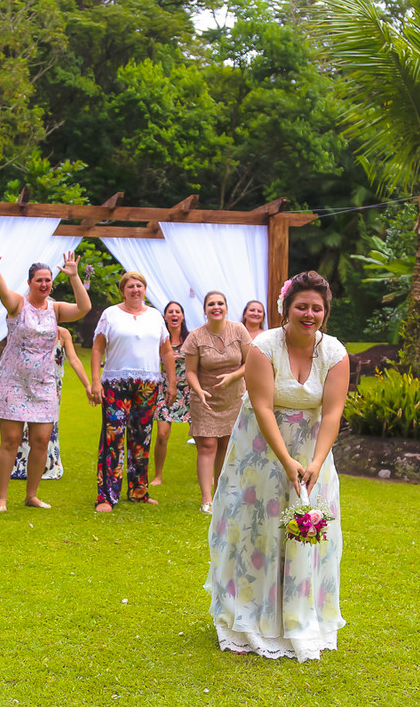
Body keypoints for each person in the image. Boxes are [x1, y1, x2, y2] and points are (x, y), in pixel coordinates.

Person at [204, 271, 350, 661]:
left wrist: (315, 462)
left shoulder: (335, 353)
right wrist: (286, 460)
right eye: (302, 306)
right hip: (261, 452)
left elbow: (332, 413)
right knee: (258, 531)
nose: (309, 314)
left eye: (317, 308)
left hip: (313, 452)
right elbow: (263, 407)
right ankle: (247, 615)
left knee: (305, 532)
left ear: (325, 312)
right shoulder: (264, 347)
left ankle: (298, 615)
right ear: (286, 308)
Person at [0, 251, 90, 512]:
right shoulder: (18, 304)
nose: (44, 284)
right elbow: (3, 291)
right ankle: (2, 499)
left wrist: (74, 277)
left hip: (44, 384)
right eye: (39, 280)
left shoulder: (55, 309)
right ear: (29, 282)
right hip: (12, 381)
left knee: (41, 441)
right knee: (11, 440)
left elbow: (83, 308)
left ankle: (32, 496)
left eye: (48, 280)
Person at [88, 271, 177, 513]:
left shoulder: (155, 316)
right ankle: (106, 496)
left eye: (139, 286)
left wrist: (171, 382)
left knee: (141, 438)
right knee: (113, 437)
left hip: (148, 384)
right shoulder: (110, 315)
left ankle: (139, 491)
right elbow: (97, 349)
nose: (135, 290)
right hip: (116, 383)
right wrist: (95, 381)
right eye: (130, 286)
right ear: (123, 291)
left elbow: (166, 351)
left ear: (145, 290)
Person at [182, 291, 252, 514]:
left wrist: (233, 376)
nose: (216, 307)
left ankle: (221, 493)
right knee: (207, 445)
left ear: (226, 307)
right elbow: (190, 371)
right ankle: (207, 499)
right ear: (205, 310)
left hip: (233, 397)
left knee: (226, 444)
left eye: (220, 303)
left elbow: (249, 362)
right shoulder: (195, 336)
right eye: (211, 304)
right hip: (205, 398)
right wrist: (198, 391)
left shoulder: (239, 330)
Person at [11, 327, 91, 481]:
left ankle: (47, 465)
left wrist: (87, 385)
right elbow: (13, 359)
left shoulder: (63, 334)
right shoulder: (26, 330)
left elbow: (74, 360)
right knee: (25, 424)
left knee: (48, 426)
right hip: (26, 384)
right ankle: (22, 465)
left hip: (52, 387)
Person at [150, 301, 190, 486]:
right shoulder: (158, 340)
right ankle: (158, 475)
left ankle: (212, 475)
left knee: (202, 437)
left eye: (177, 312)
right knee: (162, 435)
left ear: (182, 316)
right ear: (165, 317)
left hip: (189, 391)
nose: (174, 314)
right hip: (165, 390)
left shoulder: (190, 339)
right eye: (170, 312)